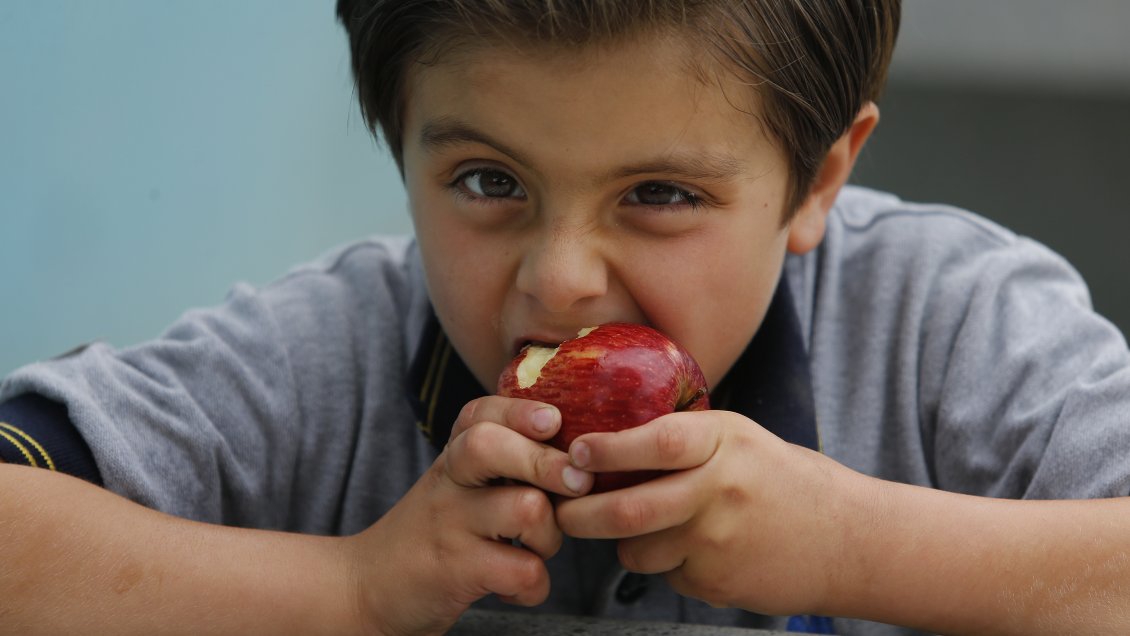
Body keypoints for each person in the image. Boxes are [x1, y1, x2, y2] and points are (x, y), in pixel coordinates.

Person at [2, 0, 1129, 633]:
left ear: (818, 180)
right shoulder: (322, 359)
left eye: (659, 195)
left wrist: (853, 546)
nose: (560, 279)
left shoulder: (947, 329)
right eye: (489, 182)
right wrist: (352, 588)